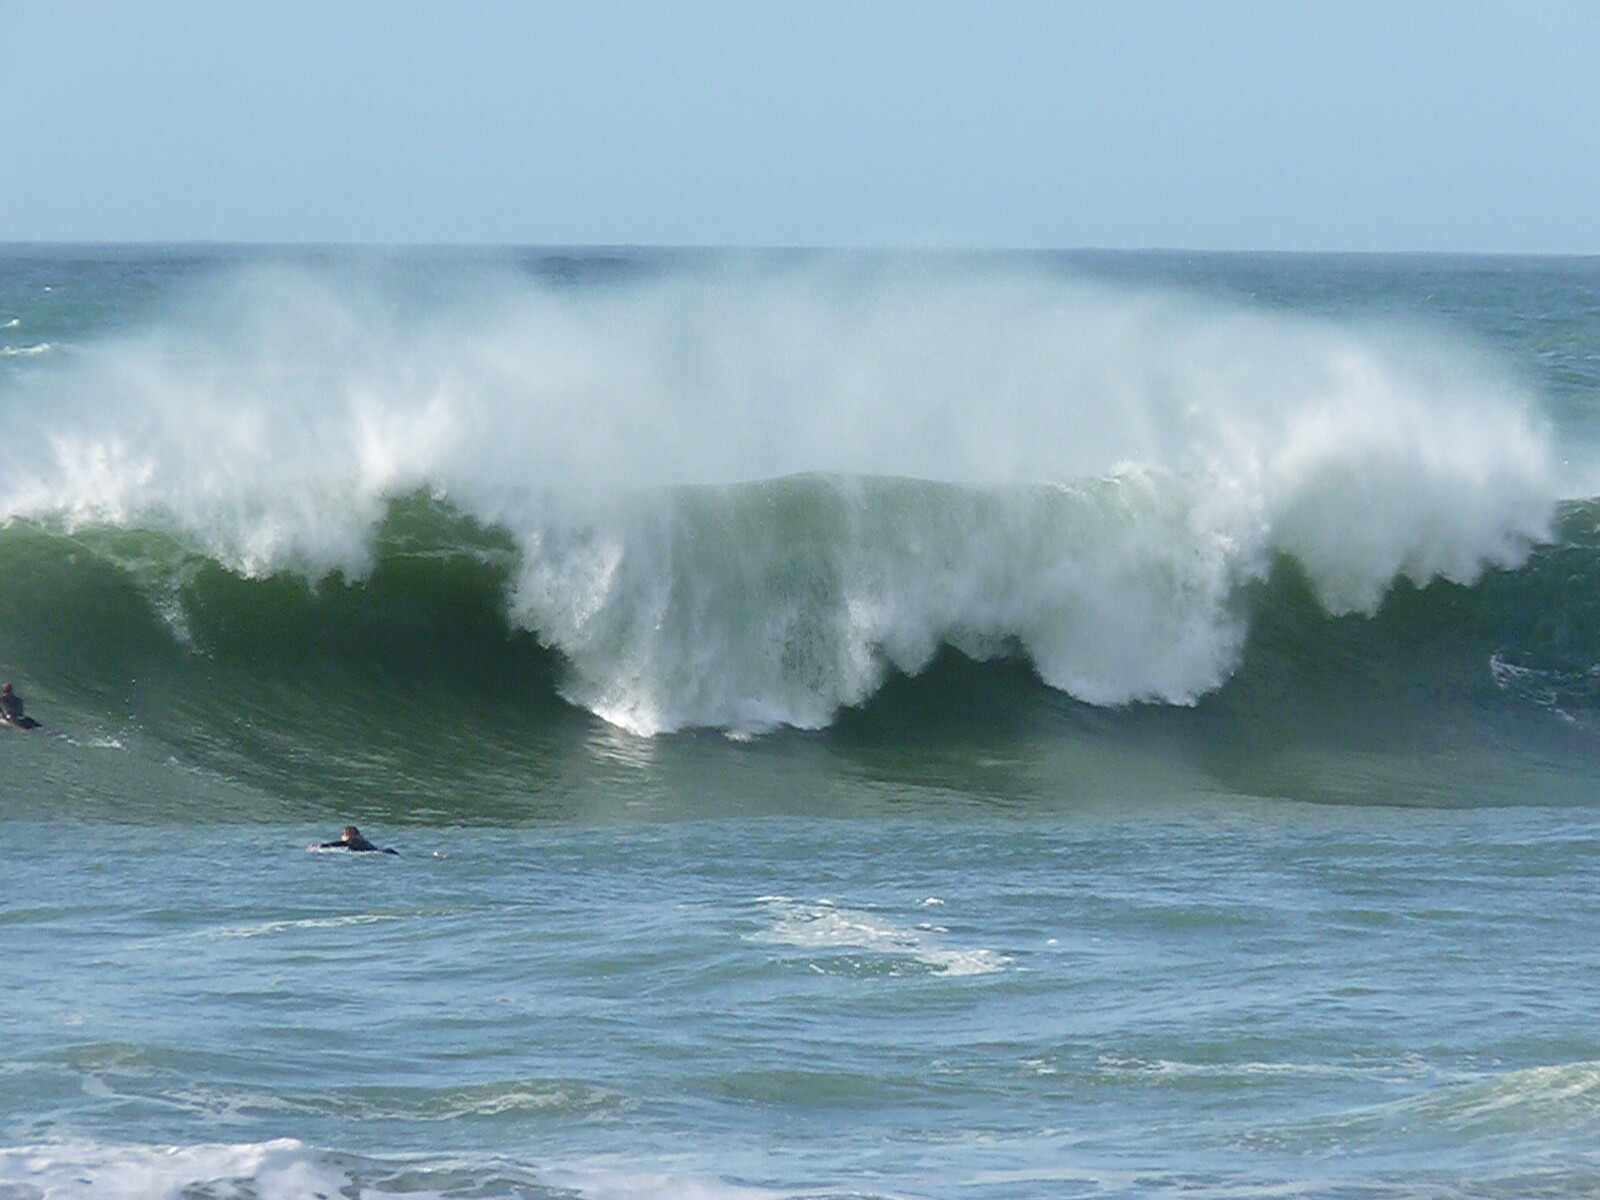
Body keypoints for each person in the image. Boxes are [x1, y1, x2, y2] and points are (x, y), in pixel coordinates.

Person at [317, 825, 399, 855]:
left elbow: (342, 844)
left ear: (347, 835)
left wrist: (324, 845)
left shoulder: (352, 840)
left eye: (343, 834)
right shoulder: (363, 840)